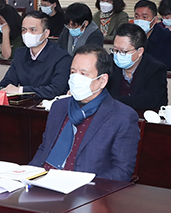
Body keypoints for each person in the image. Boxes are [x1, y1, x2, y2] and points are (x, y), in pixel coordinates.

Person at [31, 47, 141, 180]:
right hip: (43, 181)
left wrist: (85, 186)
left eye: (83, 74)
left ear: (102, 80)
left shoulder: (122, 117)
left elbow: (122, 171)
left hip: (85, 188)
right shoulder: (59, 107)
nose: (76, 78)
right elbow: (44, 149)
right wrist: (28, 176)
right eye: (73, 72)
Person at [0, 11, 71, 100]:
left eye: (33, 30)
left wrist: (21, 90)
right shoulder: (20, 54)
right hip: (24, 104)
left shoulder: (62, 57)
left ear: (46, 33)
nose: (27, 34)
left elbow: (56, 90)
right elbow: (9, 81)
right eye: (24, 30)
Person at [107, 23, 167, 112]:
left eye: (123, 51)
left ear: (140, 52)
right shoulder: (108, 63)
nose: (118, 55)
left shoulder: (156, 69)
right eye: (115, 50)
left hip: (143, 117)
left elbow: (149, 100)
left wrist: (112, 102)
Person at [133, 0, 171, 72]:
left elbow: (165, 63)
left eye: (144, 17)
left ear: (154, 20)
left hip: (162, 75)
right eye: (137, 17)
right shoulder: (130, 35)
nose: (140, 20)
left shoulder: (167, 36)